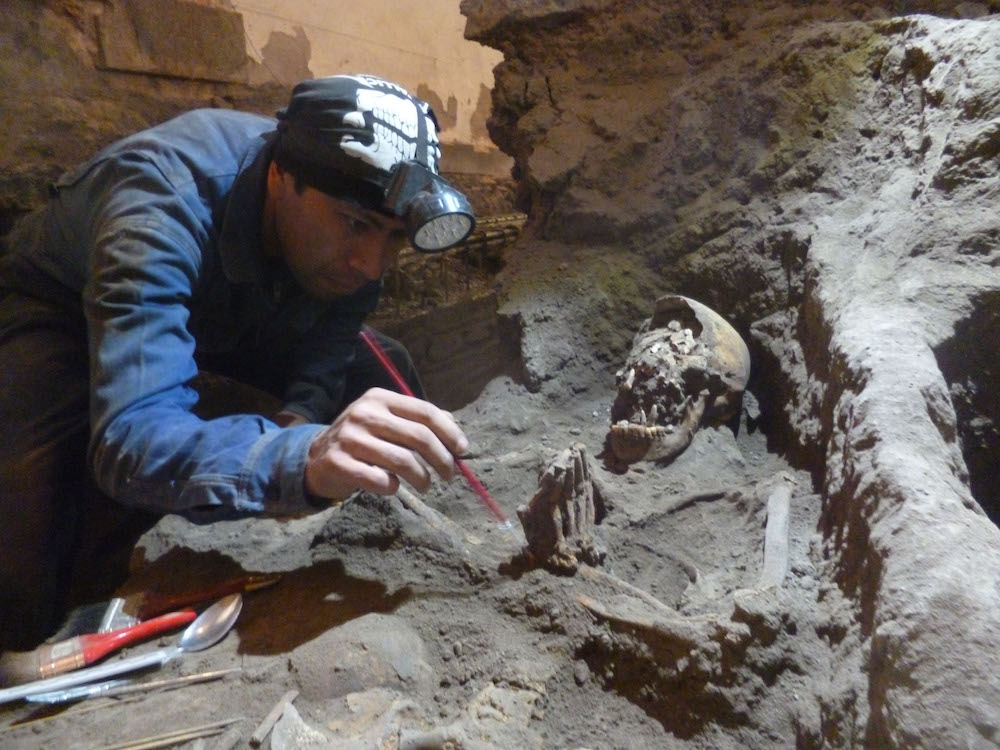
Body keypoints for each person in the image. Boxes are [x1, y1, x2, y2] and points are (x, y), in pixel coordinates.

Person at [0, 74, 477, 651]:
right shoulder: (159, 201)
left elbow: (330, 340)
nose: (372, 265)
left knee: (381, 365)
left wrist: (300, 421)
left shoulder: (345, 225)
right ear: (280, 176)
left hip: (233, 306)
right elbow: (131, 439)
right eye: (357, 225)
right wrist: (299, 459)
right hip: (65, 312)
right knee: (27, 509)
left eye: (396, 237)